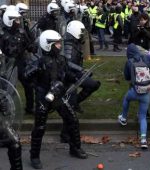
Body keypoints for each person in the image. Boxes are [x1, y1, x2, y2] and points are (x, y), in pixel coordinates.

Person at [26, 30, 87, 169]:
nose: (60, 45)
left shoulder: (61, 59)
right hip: (43, 98)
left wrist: (78, 76)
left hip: (58, 95)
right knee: (39, 127)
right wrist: (34, 70)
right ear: (48, 45)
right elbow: (26, 77)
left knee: (72, 119)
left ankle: (75, 148)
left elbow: (66, 74)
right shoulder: (39, 62)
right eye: (57, 43)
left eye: (60, 43)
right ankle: (34, 156)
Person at [118, 43, 150, 149]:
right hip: (146, 92)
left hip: (134, 91)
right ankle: (143, 140)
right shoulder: (146, 57)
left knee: (126, 99)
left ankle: (124, 118)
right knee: (143, 116)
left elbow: (127, 77)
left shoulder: (129, 62)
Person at [0, 9, 36, 115]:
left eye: (18, 20)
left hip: (21, 62)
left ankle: (30, 107)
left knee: (28, 84)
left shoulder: (21, 32)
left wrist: (33, 47)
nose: (18, 22)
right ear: (9, 20)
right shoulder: (1, 34)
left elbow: (28, 45)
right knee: (8, 87)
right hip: (7, 64)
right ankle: (7, 109)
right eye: (16, 20)